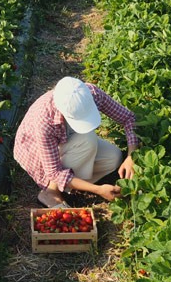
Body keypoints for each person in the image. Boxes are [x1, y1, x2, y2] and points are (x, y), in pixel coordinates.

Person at [13, 76, 139, 208]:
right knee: (87, 140)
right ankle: (51, 191)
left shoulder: (91, 94)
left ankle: (72, 184)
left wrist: (131, 156)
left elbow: (128, 118)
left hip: (71, 139)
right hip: (35, 153)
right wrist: (98, 190)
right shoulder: (45, 120)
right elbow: (54, 172)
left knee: (114, 157)